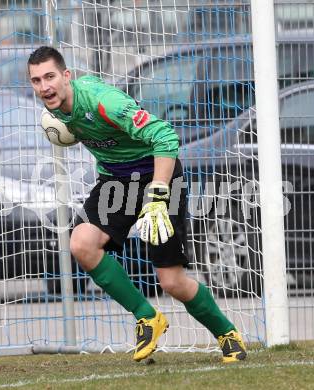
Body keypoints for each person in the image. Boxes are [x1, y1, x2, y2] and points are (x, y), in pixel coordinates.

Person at [27, 46, 247, 363]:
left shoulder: (105, 102)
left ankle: (227, 334)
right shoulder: (54, 112)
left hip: (159, 174)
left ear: (66, 76)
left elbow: (165, 136)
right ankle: (147, 317)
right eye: (36, 81)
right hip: (116, 180)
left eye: (49, 77)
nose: (44, 86)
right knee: (82, 244)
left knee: (171, 282)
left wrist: (158, 193)